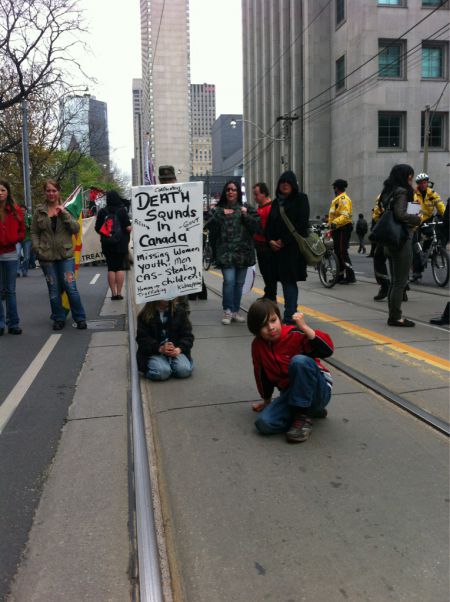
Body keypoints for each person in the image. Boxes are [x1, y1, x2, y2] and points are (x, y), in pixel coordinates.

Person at [247, 299, 333, 443]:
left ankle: (304, 415)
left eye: (273, 320)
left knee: (299, 361)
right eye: (263, 325)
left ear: (279, 319)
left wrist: (305, 328)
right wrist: (267, 400)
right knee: (263, 423)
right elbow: (261, 374)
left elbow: (327, 350)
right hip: (292, 394)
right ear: (256, 330)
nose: (271, 327)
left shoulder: (295, 334)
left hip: (318, 389)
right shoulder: (258, 346)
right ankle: (308, 412)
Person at [31, 179, 87, 330]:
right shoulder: (39, 210)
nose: (51, 193)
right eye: (48, 190)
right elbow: (34, 232)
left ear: (58, 192)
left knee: (71, 287)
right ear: (45, 192)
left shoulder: (67, 209)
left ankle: (80, 318)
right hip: (47, 258)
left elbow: (75, 229)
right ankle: (58, 318)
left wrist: (64, 214)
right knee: (54, 290)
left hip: (65, 256)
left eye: (54, 190)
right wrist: (38, 249)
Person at [206, 180, 260, 325]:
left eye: (234, 189)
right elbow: (207, 223)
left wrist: (245, 215)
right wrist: (221, 213)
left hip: (243, 254)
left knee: (239, 283)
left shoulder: (246, 208)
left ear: (238, 193)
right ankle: (228, 310)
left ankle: (236, 310)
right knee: (229, 281)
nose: (231, 192)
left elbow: (257, 227)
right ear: (225, 192)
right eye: (228, 189)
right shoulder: (218, 209)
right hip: (226, 253)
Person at [377, 164, 421, 327]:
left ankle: (393, 315)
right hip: (401, 240)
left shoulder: (388, 191)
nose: (412, 178)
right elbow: (400, 214)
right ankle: (395, 317)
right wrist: (417, 218)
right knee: (399, 282)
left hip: (390, 240)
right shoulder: (402, 191)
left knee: (395, 280)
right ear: (405, 176)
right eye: (410, 175)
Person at [265, 170, 309, 324]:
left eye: (288, 182)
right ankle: (291, 312)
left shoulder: (301, 199)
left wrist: (283, 241)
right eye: (282, 182)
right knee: (283, 281)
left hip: (292, 250)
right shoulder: (277, 202)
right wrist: (270, 240)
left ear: (293, 184)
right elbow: (269, 225)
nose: (285, 184)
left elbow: (302, 225)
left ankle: (290, 315)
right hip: (277, 251)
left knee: (289, 281)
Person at [136, 299, 194, 381]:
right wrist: (159, 348)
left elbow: (188, 335)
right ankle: (162, 367)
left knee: (184, 370)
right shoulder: (144, 315)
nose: (167, 299)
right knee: (162, 372)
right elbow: (142, 339)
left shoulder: (179, 312)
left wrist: (179, 349)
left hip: (175, 351)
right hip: (153, 353)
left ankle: (172, 365)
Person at [95, 190, 132, 300]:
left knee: (111, 268)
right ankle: (119, 293)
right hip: (121, 244)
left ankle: (113, 293)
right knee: (119, 268)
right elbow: (128, 228)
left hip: (107, 244)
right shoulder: (122, 211)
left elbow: (97, 228)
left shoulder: (102, 212)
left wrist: (107, 232)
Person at [0, 180, 25, 335]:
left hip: (10, 254)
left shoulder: (15, 210)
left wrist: (15, 238)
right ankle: (1, 324)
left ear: (7, 191)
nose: (0, 193)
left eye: (2, 189)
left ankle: (13, 323)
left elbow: (23, 230)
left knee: (10, 291)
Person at [411, 173, 446, 282]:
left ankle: (427, 251)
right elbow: (412, 212)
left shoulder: (432, 194)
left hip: (428, 220)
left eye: (425, 182)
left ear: (428, 182)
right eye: (421, 183)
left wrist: (445, 217)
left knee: (434, 235)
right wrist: (415, 223)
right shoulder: (414, 195)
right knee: (415, 245)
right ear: (418, 184)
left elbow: (440, 206)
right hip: (416, 221)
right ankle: (417, 272)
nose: (423, 184)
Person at [252, 182, 276, 301]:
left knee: (268, 272)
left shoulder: (270, 208)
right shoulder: (260, 208)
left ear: (264, 193)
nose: (255, 197)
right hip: (260, 245)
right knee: (265, 271)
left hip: (266, 246)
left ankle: (271, 296)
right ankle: (268, 293)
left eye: (256, 194)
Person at [328, 179, 355, 283]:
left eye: (334, 187)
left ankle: (350, 276)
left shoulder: (343, 199)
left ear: (337, 188)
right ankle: (340, 276)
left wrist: (335, 223)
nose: (334, 189)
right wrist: (329, 224)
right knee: (338, 252)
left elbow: (345, 215)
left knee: (342, 252)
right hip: (337, 228)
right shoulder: (338, 199)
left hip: (343, 227)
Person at [16, 203, 32, 277]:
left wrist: (28, 226)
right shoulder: (15, 217)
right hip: (17, 239)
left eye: (23, 210)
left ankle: (24, 270)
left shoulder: (29, 217)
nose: (22, 211)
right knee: (18, 254)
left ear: (25, 210)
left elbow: (33, 227)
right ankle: (17, 271)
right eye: (21, 210)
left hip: (27, 239)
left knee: (27, 257)